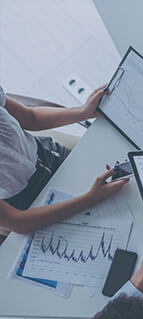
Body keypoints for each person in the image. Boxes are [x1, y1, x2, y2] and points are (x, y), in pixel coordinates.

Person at [0, 85, 128, 234]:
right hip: (28, 203)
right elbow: (18, 222)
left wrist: (83, 112)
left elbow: (30, 117)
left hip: (52, 155)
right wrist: (90, 198)